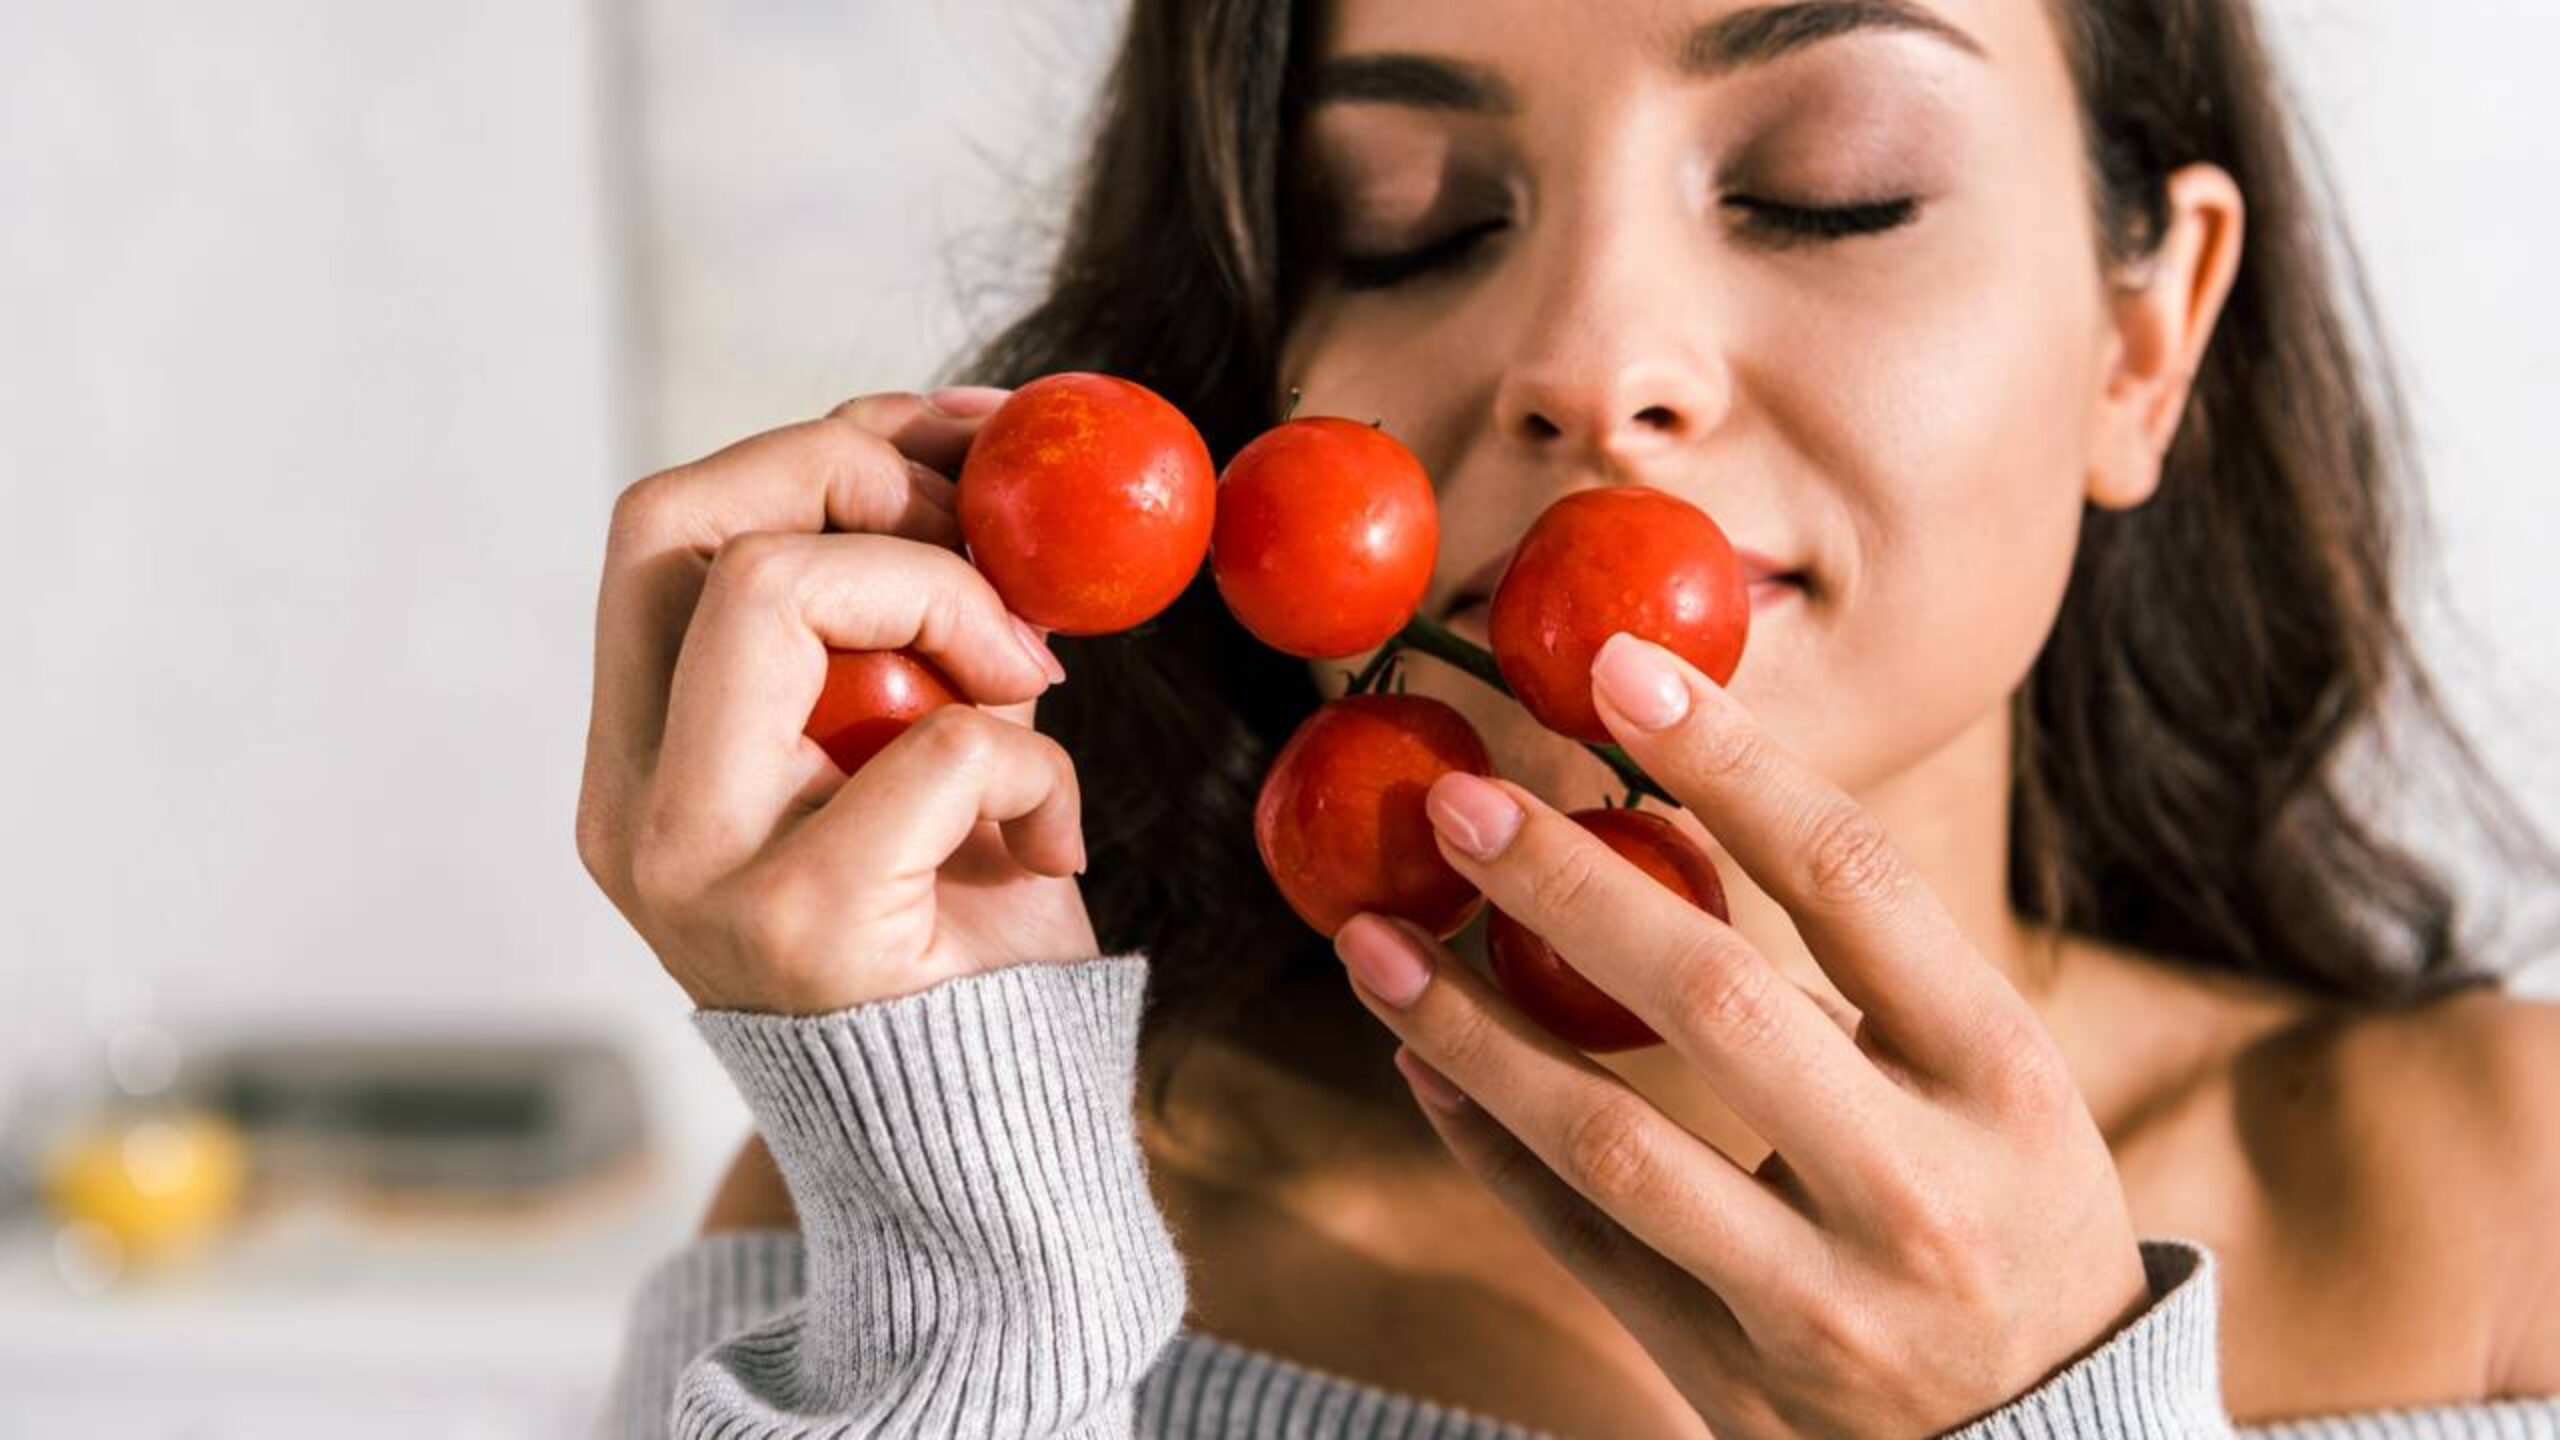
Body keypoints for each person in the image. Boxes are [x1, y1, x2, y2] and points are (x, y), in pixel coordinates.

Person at [575, 0, 2560, 1435]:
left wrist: (2043, 1413)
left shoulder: (2507, 1207)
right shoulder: (928, 1217)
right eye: (1415, 218)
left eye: (1824, 192)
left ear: (2142, 340)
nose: (1585, 363)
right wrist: (973, 1263)